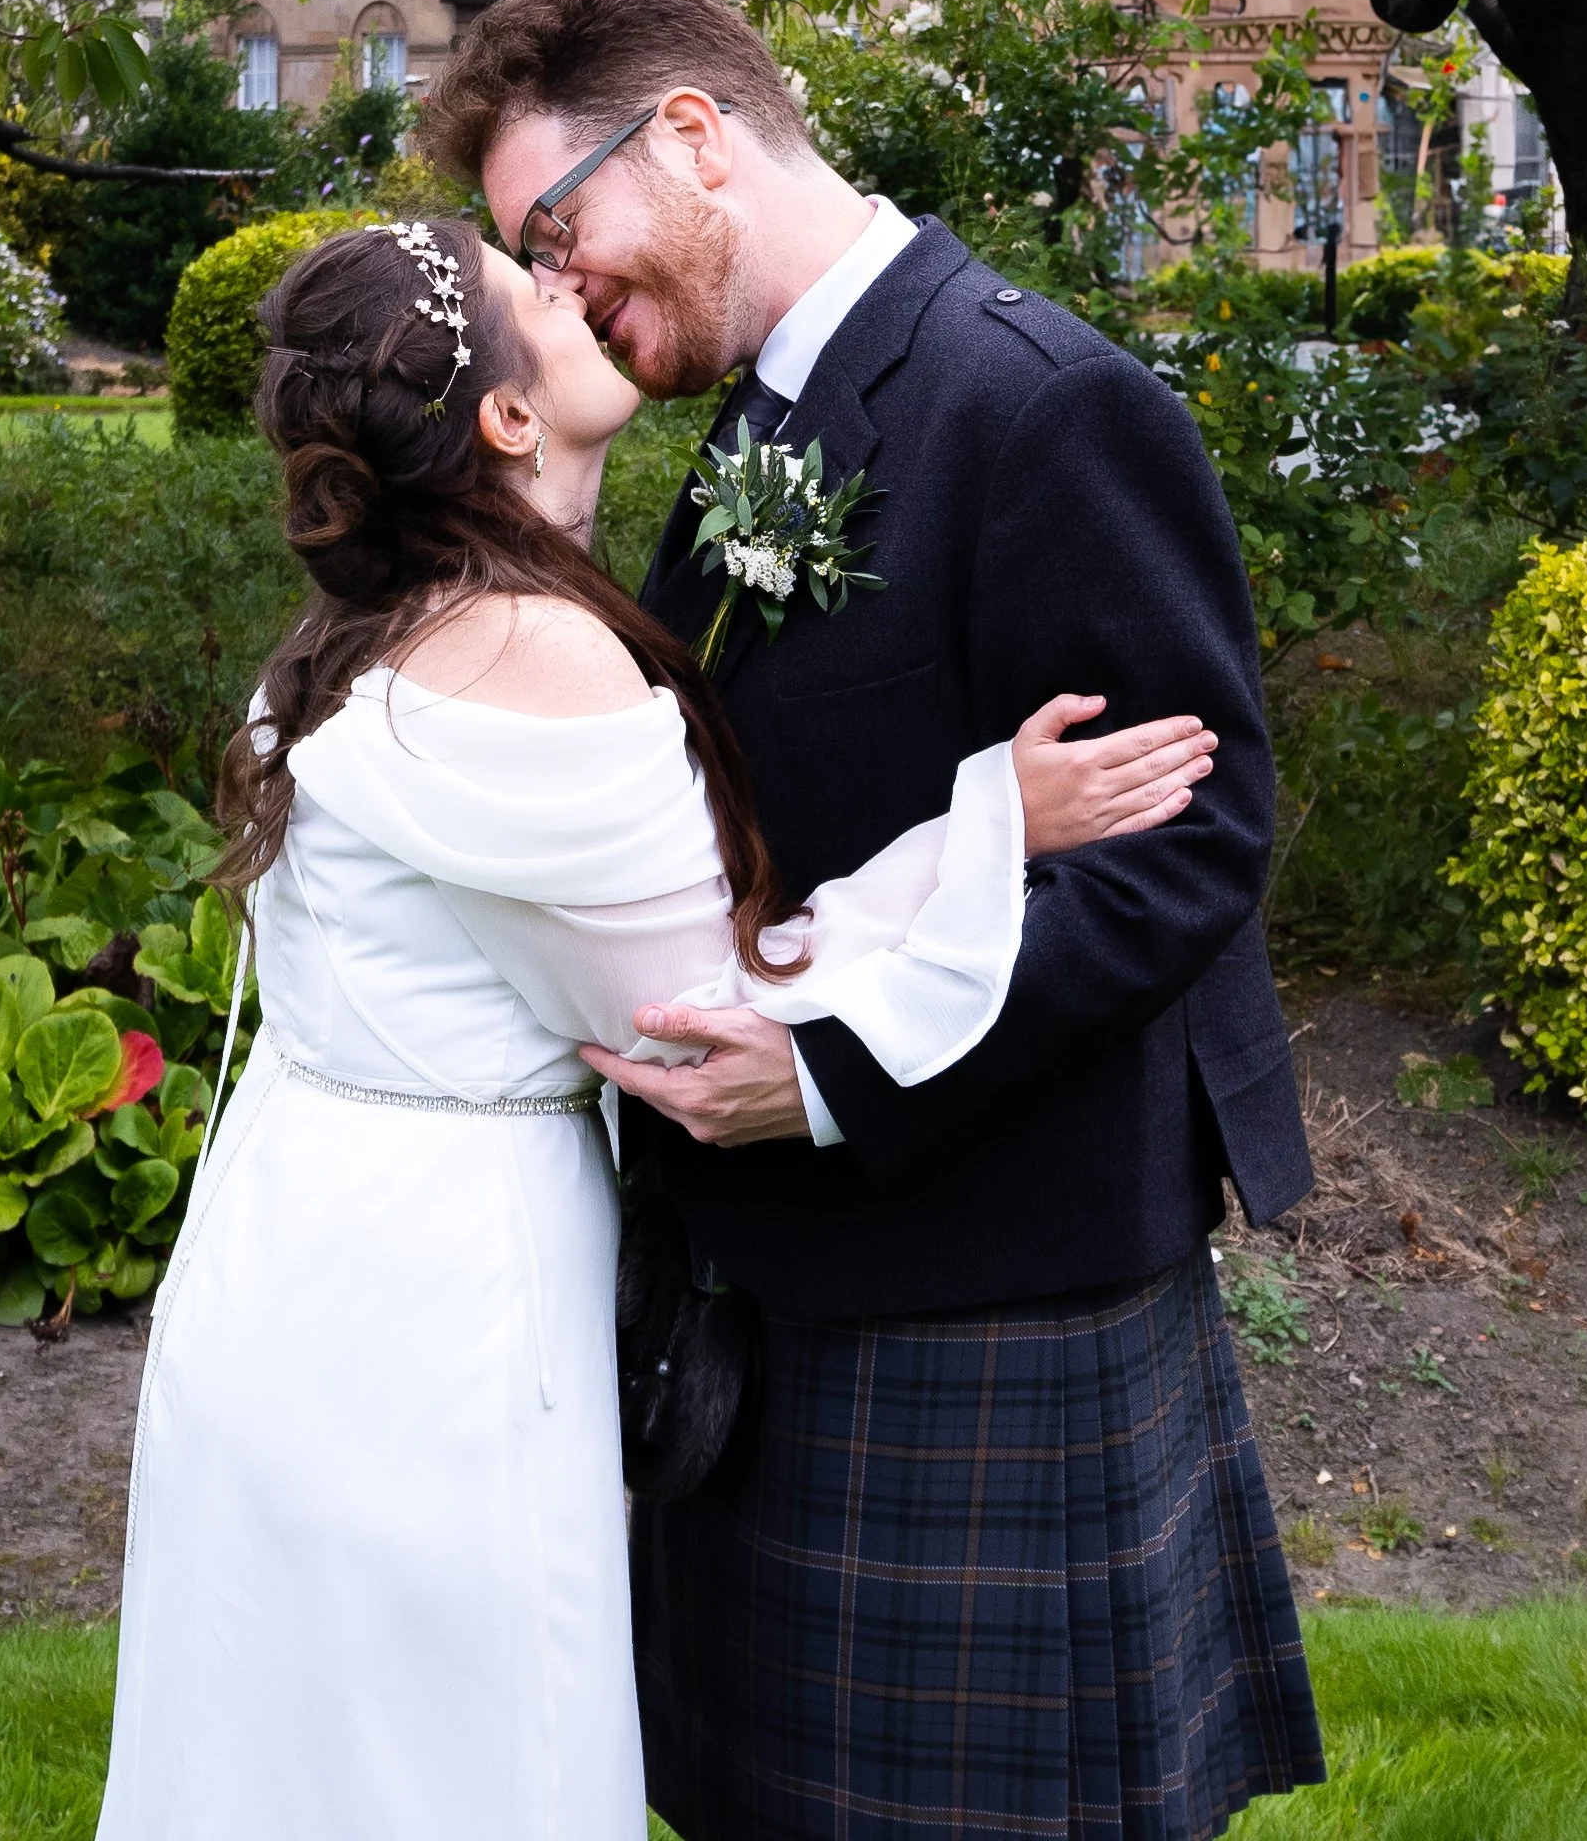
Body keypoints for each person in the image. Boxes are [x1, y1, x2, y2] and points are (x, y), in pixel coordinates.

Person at [96, 218, 1218, 1841]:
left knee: (287, 1747)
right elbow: (701, 1022)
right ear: (501, 417)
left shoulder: (360, 626)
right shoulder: (538, 657)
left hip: (290, 1251)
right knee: (466, 1758)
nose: (564, 282)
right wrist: (988, 828)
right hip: (439, 1303)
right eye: (522, 286)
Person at [427, 0, 1327, 1840]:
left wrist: (830, 1066)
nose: (557, 289)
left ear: (688, 137)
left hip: (986, 1290)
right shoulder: (763, 420)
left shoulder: (1040, 404)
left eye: (555, 229)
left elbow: (1194, 843)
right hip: (794, 1285)